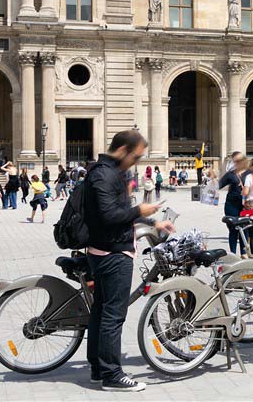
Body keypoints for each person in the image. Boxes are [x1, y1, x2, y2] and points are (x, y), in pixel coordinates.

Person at [84, 129, 174, 391]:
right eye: (135, 157)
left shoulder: (107, 172)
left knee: (101, 311)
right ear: (122, 150)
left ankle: (98, 368)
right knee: (113, 315)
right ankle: (112, 375)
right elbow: (110, 215)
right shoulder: (104, 174)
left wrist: (153, 221)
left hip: (106, 251)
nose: (136, 162)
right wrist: (139, 209)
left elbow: (120, 212)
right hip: (112, 254)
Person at [219, 152, 247, 253]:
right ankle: (233, 253)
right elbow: (219, 185)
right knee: (233, 229)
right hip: (231, 205)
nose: (237, 163)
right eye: (235, 161)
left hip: (245, 205)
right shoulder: (230, 174)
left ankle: (244, 253)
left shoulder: (249, 173)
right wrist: (212, 179)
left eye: (239, 161)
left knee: (245, 229)